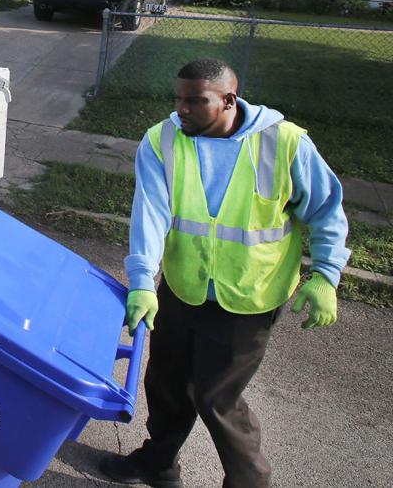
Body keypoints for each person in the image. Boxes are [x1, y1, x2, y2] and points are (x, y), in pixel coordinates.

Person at [100, 57, 349, 488]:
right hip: (184, 286)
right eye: (178, 99)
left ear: (229, 100)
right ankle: (158, 465)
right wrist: (143, 281)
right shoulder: (162, 140)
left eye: (196, 101)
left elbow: (327, 210)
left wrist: (326, 275)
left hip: (250, 296)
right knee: (165, 383)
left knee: (216, 397)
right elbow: (150, 215)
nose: (182, 109)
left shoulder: (284, 143)